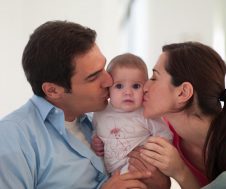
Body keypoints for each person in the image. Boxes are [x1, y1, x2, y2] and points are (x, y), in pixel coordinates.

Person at [0, 20, 167, 189]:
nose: (109, 81)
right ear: (53, 90)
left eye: (104, 68)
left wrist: (159, 182)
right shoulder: (12, 138)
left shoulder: (98, 119)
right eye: (93, 76)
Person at [134, 41, 226, 188]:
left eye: (154, 78)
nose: (144, 87)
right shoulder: (164, 131)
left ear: (183, 92)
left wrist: (181, 172)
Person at [92, 53, 172, 174]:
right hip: (109, 173)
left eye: (136, 86)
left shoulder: (146, 113)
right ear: (108, 89)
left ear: (145, 88)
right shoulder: (100, 112)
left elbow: (165, 136)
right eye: (119, 86)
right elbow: (95, 130)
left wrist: (151, 152)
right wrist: (95, 141)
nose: (128, 92)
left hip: (139, 170)